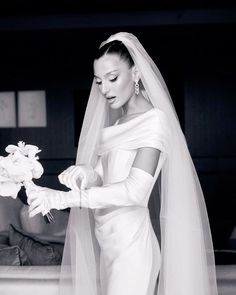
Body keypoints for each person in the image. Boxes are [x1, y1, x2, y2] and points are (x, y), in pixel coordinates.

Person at [26, 32, 218, 295]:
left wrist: (63, 199)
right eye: (98, 81)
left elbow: (135, 191)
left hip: (132, 248)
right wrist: (87, 173)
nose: (104, 89)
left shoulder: (154, 121)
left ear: (136, 73)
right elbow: (105, 176)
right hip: (109, 243)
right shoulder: (116, 125)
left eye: (112, 78)